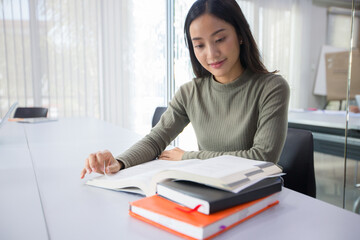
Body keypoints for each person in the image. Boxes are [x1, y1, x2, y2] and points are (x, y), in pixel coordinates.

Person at [80, 0, 290, 179]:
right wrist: (119, 162)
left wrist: (188, 156)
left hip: (256, 192)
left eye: (220, 39)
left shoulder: (271, 87)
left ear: (241, 35)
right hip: (211, 186)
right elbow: (155, 140)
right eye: (199, 45)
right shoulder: (190, 93)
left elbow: (262, 158)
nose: (212, 53)